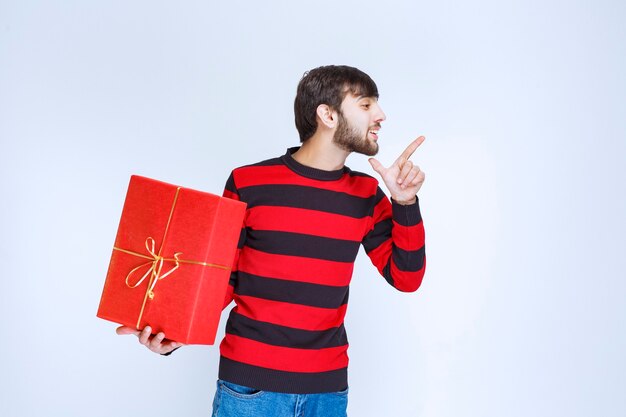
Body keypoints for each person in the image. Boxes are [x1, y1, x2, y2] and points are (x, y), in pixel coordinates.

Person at [117, 65, 426, 417]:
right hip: (249, 390)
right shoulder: (249, 182)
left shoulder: (367, 194)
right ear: (327, 114)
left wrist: (405, 204)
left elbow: (407, 277)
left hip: (327, 393)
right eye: (366, 105)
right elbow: (222, 277)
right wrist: (170, 331)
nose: (381, 116)